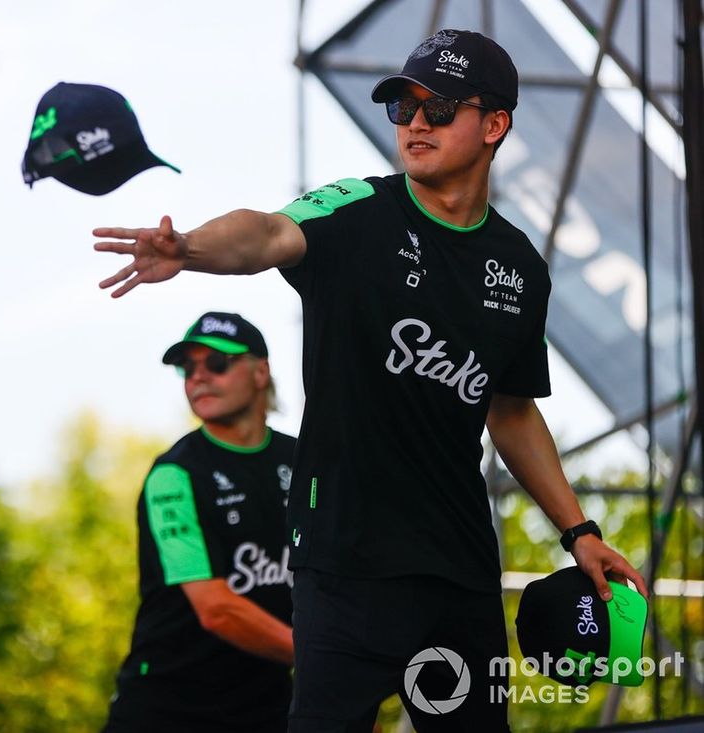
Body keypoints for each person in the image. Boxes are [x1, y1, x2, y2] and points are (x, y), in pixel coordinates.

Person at [93, 29, 649, 733]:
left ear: (495, 124)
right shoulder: (356, 208)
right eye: (403, 106)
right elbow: (265, 234)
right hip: (343, 566)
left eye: (440, 107)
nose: (416, 122)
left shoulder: (519, 266)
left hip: (458, 569)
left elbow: (510, 410)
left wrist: (580, 531)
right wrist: (191, 248)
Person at [102, 311, 297, 733]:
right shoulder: (174, 474)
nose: (198, 377)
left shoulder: (304, 461)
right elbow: (217, 610)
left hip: (267, 708)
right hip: (167, 711)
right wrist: (324, 662)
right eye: (187, 368)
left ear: (261, 371)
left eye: (217, 363)